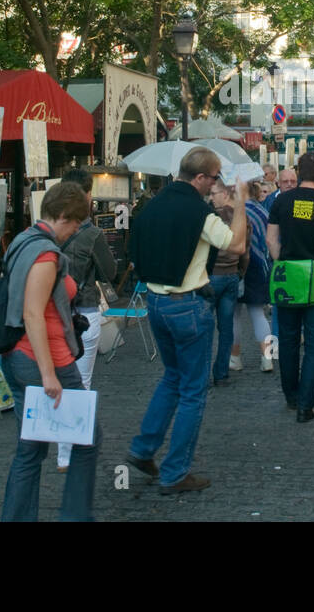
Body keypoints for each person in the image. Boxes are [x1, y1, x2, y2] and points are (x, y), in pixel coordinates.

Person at [127, 148, 247, 493]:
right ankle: (175, 472)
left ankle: (143, 448)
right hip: (187, 304)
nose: (214, 185)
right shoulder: (200, 212)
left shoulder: (152, 205)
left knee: (172, 379)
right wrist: (239, 203)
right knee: (193, 391)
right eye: (213, 178)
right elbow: (236, 245)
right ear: (199, 178)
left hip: (156, 302)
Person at [0, 183, 101, 521]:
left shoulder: (22, 240)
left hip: (20, 355)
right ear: (62, 217)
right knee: (86, 437)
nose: (74, 231)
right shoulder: (45, 254)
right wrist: (47, 374)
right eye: (74, 223)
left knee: (30, 448)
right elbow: (33, 313)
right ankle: (75, 515)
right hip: (46, 358)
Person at [267, 151, 314, 422]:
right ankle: (305, 406)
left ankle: (290, 396)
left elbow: (271, 240)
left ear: (299, 172)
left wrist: (284, 264)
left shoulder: (281, 201)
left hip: (289, 276)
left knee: (288, 340)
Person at [53, 169, 118, 471]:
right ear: (88, 195)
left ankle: (60, 445)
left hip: (52, 315)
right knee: (81, 382)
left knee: (55, 380)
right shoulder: (92, 234)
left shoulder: (47, 229)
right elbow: (109, 274)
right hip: (84, 313)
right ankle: (69, 450)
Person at [232, 178, 275, 373]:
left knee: (234, 316)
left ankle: (234, 358)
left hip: (238, 266)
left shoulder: (236, 211)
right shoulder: (263, 211)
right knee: (258, 314)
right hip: (260, 266)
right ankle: (268, 358)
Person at [208, 181, 248, 386]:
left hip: (213, 276)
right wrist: (240, 271)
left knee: (205, 327)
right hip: (232, 275)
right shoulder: (240, 217)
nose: (211, 197)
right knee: (226, 328)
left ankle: (203, 372)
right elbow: (245, 250)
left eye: (214, 193)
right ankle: (221, 373)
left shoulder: (213, 217)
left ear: (225, 193)